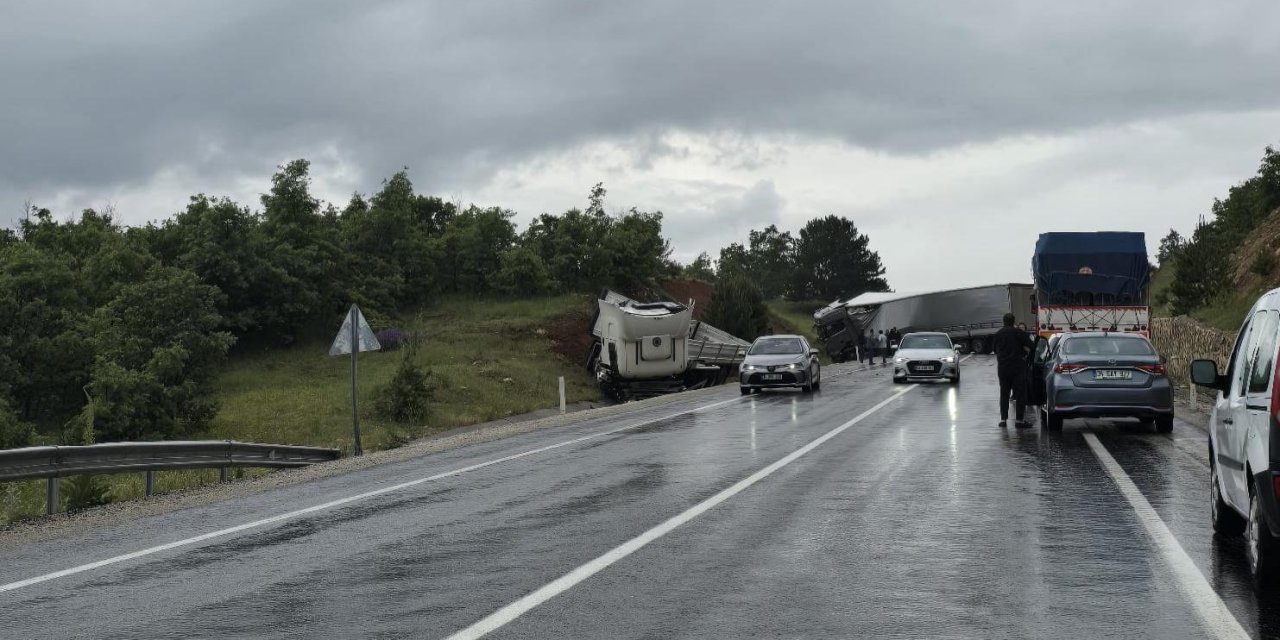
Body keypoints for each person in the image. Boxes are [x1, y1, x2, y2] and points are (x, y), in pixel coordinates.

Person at [993, 312, 1034, 428]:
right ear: (1013, 321)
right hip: (1017, 368)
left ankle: (1003, 420)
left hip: (1003, 369)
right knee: (1020, 394)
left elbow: (994, 349)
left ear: (1003, 321)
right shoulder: (1018, 333)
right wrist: (1025, 354)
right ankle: (1019, 420)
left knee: (1004, 394)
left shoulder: (998, 334)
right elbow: (1032, 346)